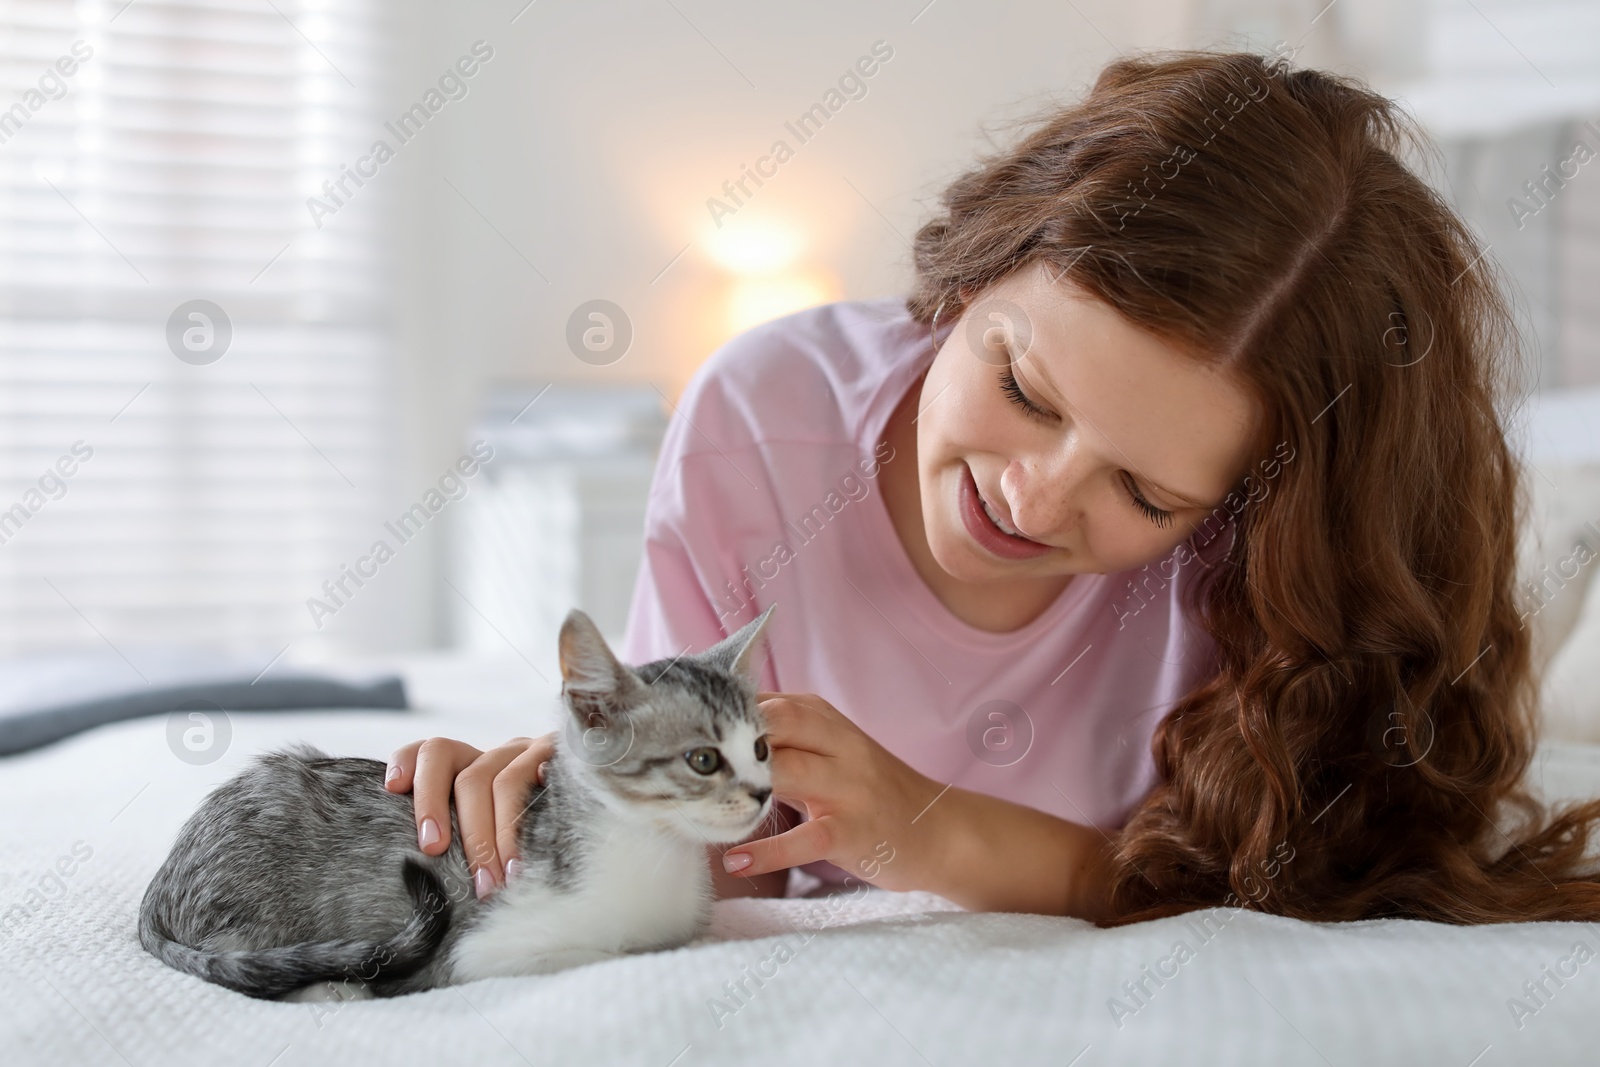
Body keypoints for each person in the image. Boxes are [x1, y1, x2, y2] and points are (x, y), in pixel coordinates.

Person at [382, 48, 1600, 925]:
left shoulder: (1258, 577)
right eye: (1023, 389)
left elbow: (1281, 876)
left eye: (1147, 493)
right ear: (974, 275)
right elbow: (699, 842)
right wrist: (551, 797)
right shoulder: (762, 416)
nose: (1033, 499)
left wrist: (935, 831)